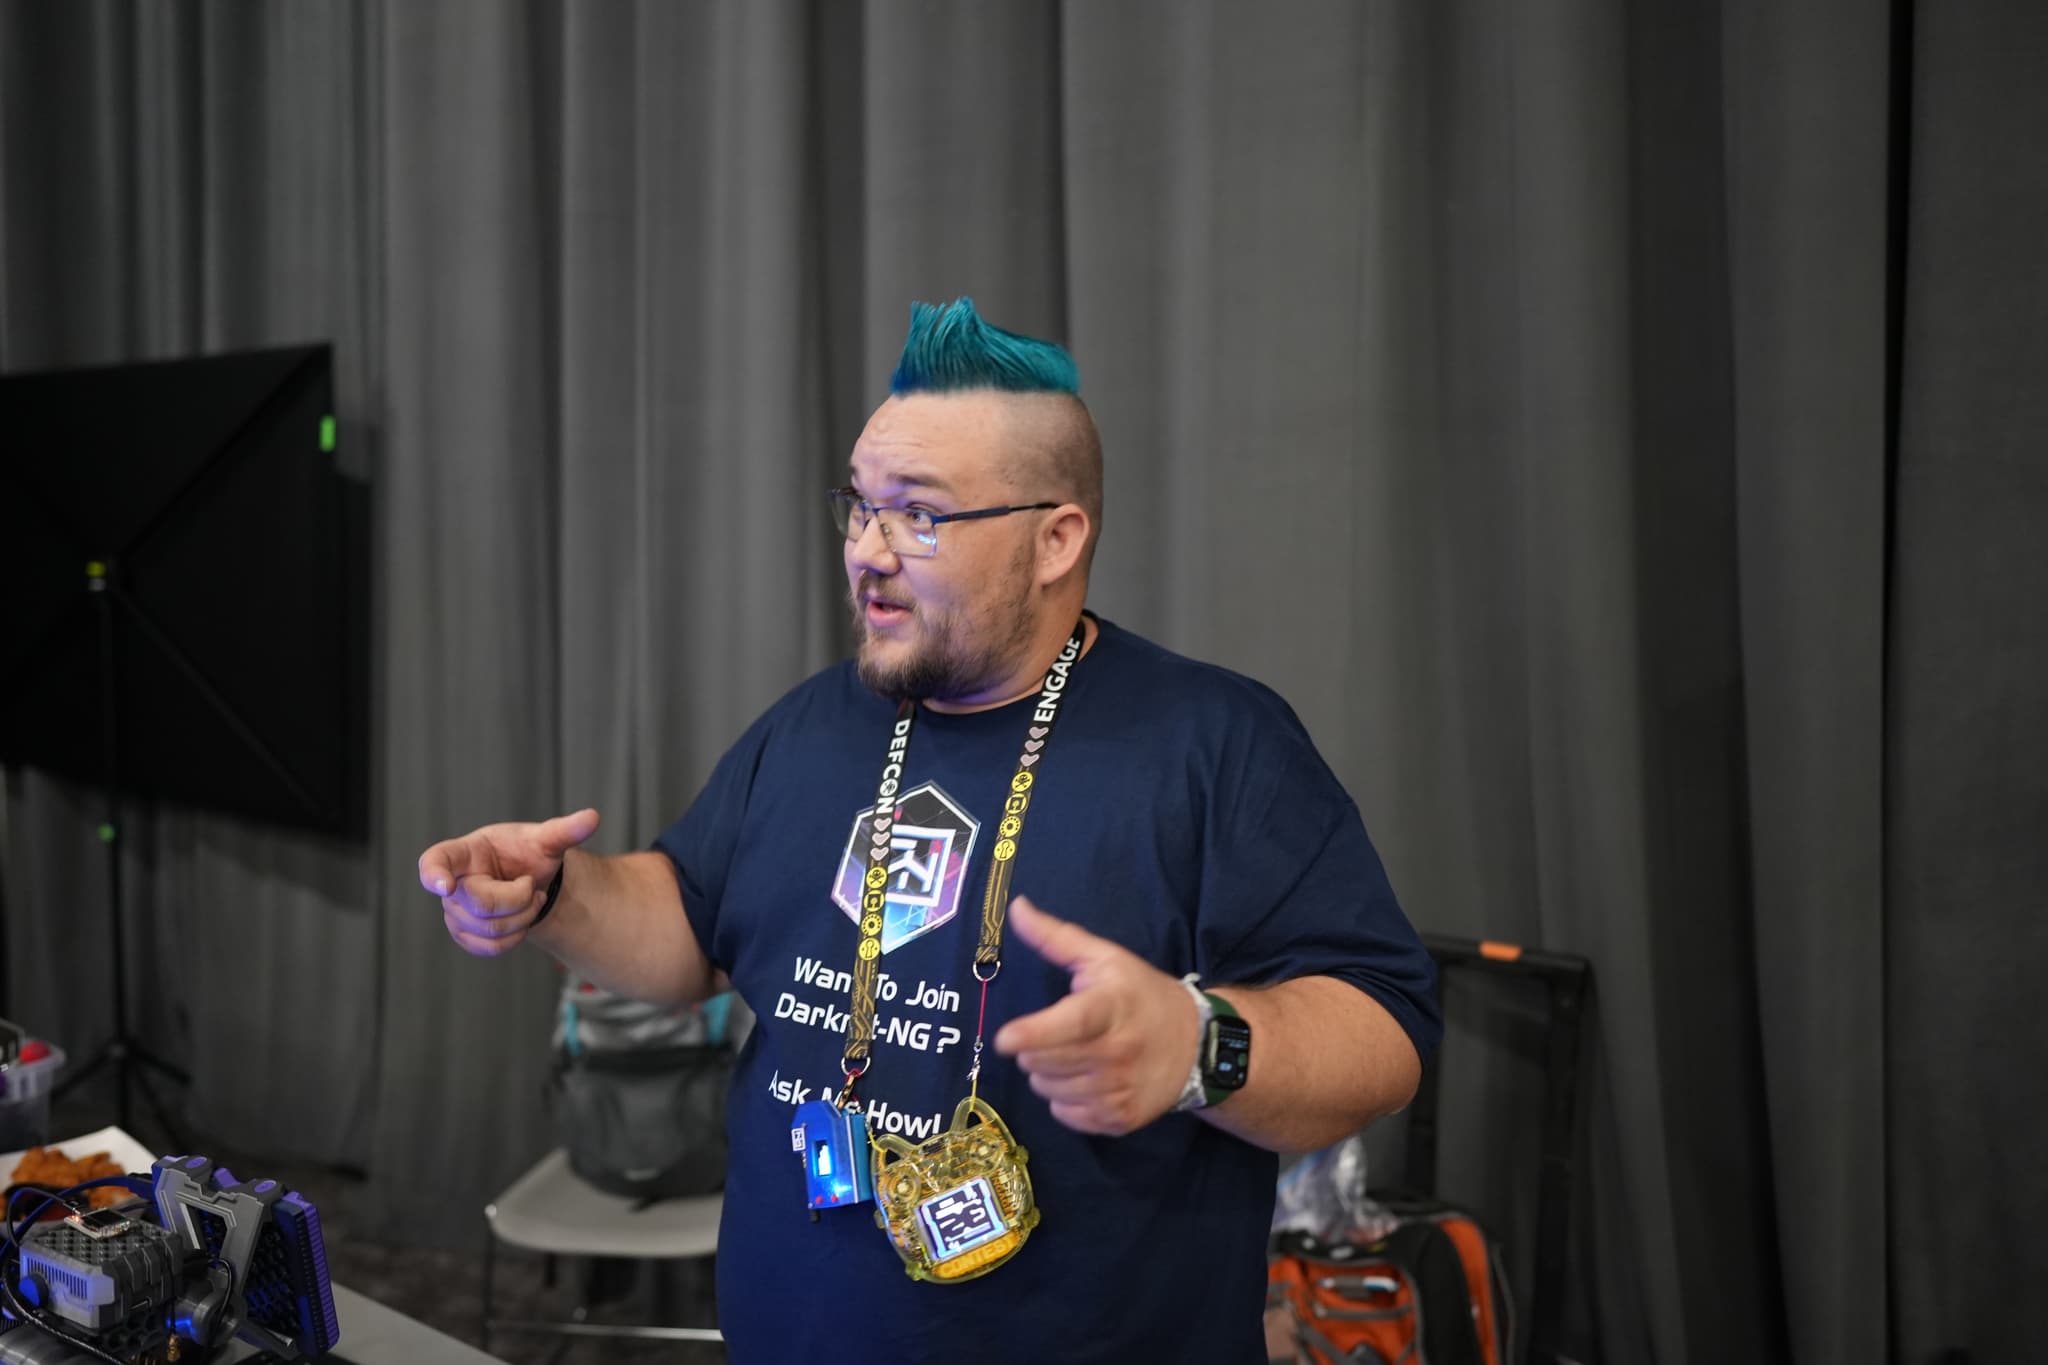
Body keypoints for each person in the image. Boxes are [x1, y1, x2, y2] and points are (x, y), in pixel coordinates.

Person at [418, 298, 1441, 1363]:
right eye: (858, 507)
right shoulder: (812, 723)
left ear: (1055, 540)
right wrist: (554, 894)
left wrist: (1198, 1048)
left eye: (919, 515)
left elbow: (1382, 1036)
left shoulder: (1213, 744)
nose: (867, 551)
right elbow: (690, 926)